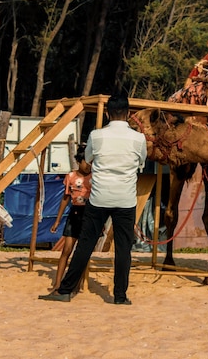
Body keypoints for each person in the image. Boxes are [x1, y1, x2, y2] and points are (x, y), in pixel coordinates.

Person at [39, 94, 147, 304]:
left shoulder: (97, 136)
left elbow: (88, 159)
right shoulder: (138, 138)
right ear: (129, 114)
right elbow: (141, 160)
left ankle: (65, 290)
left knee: (85, 245)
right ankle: (120, 296)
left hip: (99, 196)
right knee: (123, 248)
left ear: (107, 114)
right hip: (125, 198)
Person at [49, 144, 92, 290]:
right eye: (87, 162)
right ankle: (57, 283)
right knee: (66, 250)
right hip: (74, 214)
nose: (89, 166)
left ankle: (77, 284)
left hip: (89, 215)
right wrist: (57, 220)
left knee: (82, 252)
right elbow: (65, 198)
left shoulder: (95, 177)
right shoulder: (71, 177)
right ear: (79, 161)